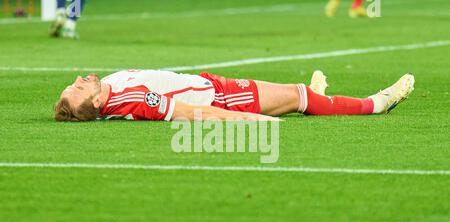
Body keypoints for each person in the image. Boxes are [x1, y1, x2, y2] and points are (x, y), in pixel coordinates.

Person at [53, 69, 415, 122]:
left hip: (211, 83)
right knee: (299, 94)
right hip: (222, 99)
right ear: (97, 103)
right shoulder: (129, 99)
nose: (80, 78)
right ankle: (377, 104)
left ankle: (311, 100)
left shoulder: (109, 89)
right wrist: (253, 121)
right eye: (79, 87)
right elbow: (189, 113)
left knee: (294, 96)